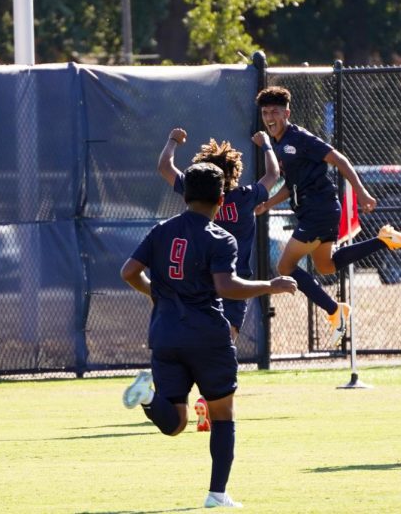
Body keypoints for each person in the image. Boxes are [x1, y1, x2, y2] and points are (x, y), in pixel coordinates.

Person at [120, 162, 297, 508]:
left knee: (175, 423)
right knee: (222, 414)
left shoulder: (161, 230)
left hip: (165, 335)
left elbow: (128, 272)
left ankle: (145, 396)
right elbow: (226, 286)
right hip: (207, 337)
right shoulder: (221, 237)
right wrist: (270, 286)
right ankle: (217, 494)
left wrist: (155, 293)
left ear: (185, 196)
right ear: (220, 199)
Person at [253, 85, 401, 346]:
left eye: (274, 112)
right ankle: (384, 240)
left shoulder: (300, 138)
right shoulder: (280, 143)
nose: (269, 118)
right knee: (326, 266)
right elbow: (290, 183)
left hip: (318, 211)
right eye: (265, 113)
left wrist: (362, 192)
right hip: (316, 210)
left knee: (285, 267)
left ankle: (334, 310)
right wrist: (268, 204)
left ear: (287, 112)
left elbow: (340, 159)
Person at [157, 127, 280, 431]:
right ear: (234, 172)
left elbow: (164, 167)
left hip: (197, 285)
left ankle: (189, 394)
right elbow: (273, 174)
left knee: (193, 335)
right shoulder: (245, 197)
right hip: (235, 284)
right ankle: (211, 397)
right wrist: (266, 145)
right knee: (226, 340)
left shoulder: (194, 192)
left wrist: (172, 141)